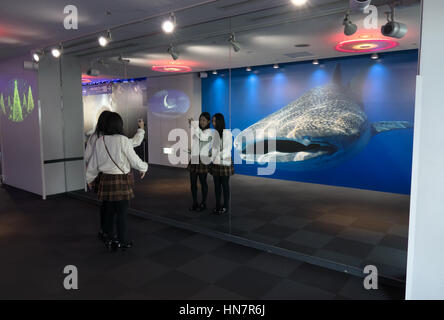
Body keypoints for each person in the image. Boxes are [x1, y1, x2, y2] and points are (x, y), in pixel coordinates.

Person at [86, 112, 148, 252]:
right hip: (120, 180)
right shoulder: (123, 139)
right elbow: (134, 160)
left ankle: (109, 239)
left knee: (108, 211)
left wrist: (89, 179)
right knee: (122, 213)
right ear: (119, 125)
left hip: (106, 180)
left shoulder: (99, 141)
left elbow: (93, 164)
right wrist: (144, 167)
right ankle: (122, 241)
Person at [187, 112, 212, 212]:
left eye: (204, 120)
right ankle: (194, 203)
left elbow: (203, 137)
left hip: (203, 160)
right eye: (200, 120)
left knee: (203, 182)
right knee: (193, 183)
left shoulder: (209, 131)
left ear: (208, 121)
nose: (201, 122)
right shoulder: (198, 131)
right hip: (194, 158)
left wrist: (194, 125)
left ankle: (203, 203)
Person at [210, 113, 234, 214]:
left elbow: (227, 150)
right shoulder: (214, 133)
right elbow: (213, 149)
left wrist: (215, 155)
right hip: (216, 162)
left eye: (215, 121)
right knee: (216, 185)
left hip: (224, 162)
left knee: (224, 184)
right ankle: (218, 205)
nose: (213, 123)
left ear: (220, 121)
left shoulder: (227, 133)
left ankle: (226, 206)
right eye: (212, 121)